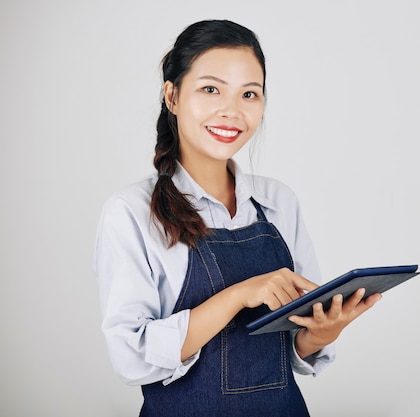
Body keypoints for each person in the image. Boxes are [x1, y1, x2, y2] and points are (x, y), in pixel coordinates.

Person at [93, 19, 382, 417]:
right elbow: (131, 355)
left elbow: (294, 346)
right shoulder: (131, 211)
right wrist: (239, 295)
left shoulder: (279, 201)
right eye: (210, 89)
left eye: (249, 94)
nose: (231, 111)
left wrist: (323, 331)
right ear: (172, 96)